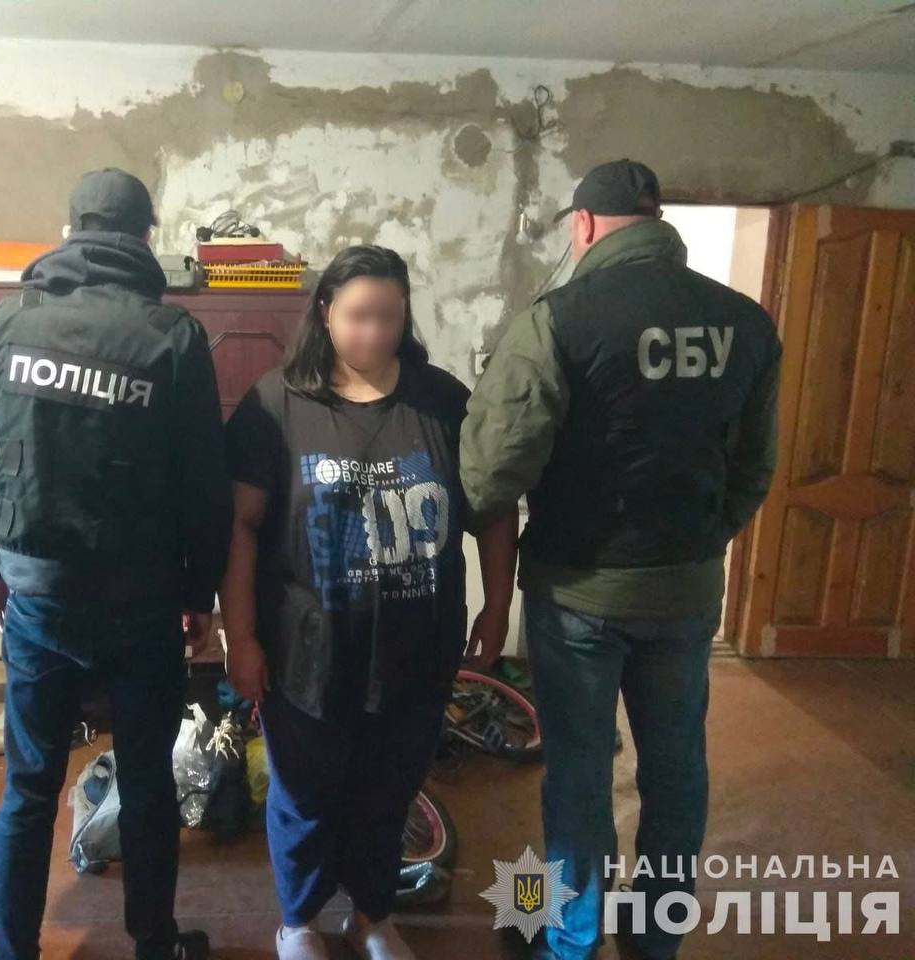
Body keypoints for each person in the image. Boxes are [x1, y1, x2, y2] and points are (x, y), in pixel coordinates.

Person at [460, 159, 781, 960]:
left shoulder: (558, 321)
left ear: (585, 225)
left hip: (580, 591)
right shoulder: (744, 322)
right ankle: (655, 937)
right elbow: (754, 468)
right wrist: (702, 540)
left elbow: (490, 473)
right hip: (687, 591)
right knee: (677, 771)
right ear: (658, 223)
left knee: (579, 774)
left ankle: (567, 939)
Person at [0, 168, 232, 960]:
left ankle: (14, 952)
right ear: (146, 237)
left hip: (36, 596)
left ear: (67, 233)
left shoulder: (10, 321)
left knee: (29, 786)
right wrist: (200, 592)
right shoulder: (171, 336)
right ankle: (154, 942)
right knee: (147, 780)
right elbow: (204, 485)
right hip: (144, 602)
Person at [219, 245, 518, 960]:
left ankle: (373, 916)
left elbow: (494, 512)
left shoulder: (441, 402)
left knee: (389, 792)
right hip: (306, 650)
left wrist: (497, 606)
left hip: (417, 645)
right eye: (358, 316)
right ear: (325, 313)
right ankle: (298, 922)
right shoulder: (275, 403)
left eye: (389, 316)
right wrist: (242, 637)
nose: (374, 332)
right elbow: (241, 525)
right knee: (306, 793)